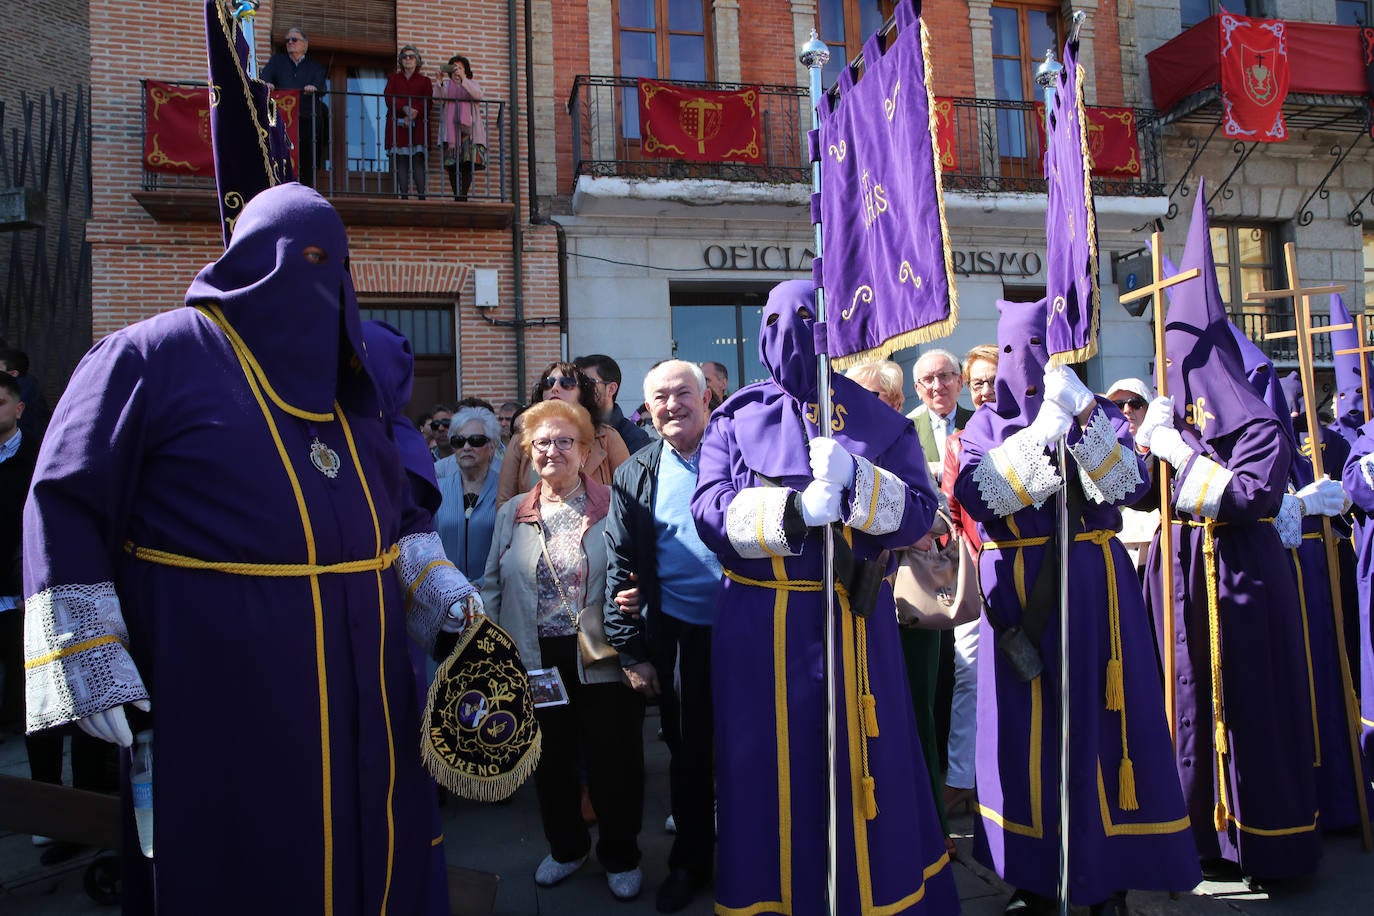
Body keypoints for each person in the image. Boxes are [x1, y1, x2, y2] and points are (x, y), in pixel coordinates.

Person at [20, 183, 480, 915]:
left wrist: (441, 594)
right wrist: (87, 653)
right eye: (298, 256)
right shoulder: (151, 356)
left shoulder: (350, 391)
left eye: (334, 262)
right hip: (221, 695)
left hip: (369, 690)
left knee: (373, 856)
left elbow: (395, 522)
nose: (314, 279)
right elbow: (67, 496)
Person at [690, 280, 957, 915]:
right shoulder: (734, 418)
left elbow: (922, 515)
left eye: (808, 321)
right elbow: (706, 510)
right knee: (767, 769)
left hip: (854, 623)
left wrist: (858, 482)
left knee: (862, 765)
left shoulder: (882, 423)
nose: (792, 335)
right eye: (777, 322)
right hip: (759, 625)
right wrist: (792, 510)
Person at [953, 298, 1200, 915]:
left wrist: (1085, 423)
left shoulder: (1095, 417)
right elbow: (978, 496)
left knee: (1106, 724)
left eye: (1043, 351)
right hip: (1022, 592)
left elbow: (1132, 488)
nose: (1028, 367)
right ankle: (1034, 876)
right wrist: (1038, 436)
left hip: (1098, 592)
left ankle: (1111, 875)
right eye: (1015, 351)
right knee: (1027, 736)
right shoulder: (986, 424)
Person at [1139, 192, 1321, 884]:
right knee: (1185, 705)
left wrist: (1181, 456)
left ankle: (1267, 840)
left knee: (1249, 704)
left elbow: (1250, 496)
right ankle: (1198, 836)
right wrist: (1119, 438)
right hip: (1180, 573)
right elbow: (1127, 489)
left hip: (1239, 574)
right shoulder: (1170, 421)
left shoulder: (1257, 427)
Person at [480, 398, 646, 901]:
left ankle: (620, 854)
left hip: (602, 654)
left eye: (564, 441)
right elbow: (491, 583)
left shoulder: (614, 504)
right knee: (549, 760)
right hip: (534, 658)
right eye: (542, 443)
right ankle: (567, 847)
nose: (553, 451)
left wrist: (641, 595)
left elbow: (641, 568)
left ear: (586, 448)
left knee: (613, 759)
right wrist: (489, 651)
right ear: (529, 453)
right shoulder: (513, 511)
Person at [604, 360, 722, 912]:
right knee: (689, 755)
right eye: (660, 398)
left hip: (749, 632)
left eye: (682, 393)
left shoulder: (739, 458)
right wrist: (633, 650)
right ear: (646, 409)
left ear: (706, 398)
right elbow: (620, 563)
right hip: (678, 636)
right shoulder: (635, 474)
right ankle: (691, 864)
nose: (671, 405)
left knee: (754, 751)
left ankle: (760, 857)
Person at [938, 344, 999, 823]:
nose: (984, 391)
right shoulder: (959, 442)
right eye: (976, 382)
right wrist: (968, 557)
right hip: (978, 574)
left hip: (1032, 574)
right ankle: (961, 779)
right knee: (968, 676)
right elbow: (954, 511)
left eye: (991, 380)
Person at [496, 362, 631, 504]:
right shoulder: (521, 440)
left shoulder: (607, 437)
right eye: (548, 383)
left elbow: (629, 495)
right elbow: (505, 502)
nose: (554, 388)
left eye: (566, 383)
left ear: (582, 394)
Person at [436, 406, 502, 583]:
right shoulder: (438, 490)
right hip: (446, 593)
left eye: (476, 440)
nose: (466, 447)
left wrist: (480, 585)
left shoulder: (504, 490)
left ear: (491, 446)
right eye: (459, 441)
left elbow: (510, 550)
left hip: (491, 595)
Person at [259, 27, 327, 187]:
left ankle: (305, 189)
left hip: (306, 117)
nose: (290, 42)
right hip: (283, 119)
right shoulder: (277, 61)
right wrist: (267, 83)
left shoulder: (315, 67)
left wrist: (314, 88)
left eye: (294, 40)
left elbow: (321, 88)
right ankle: (280, 186)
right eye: (287, 40)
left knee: (306, 156)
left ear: (305, 45)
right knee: (280, 153)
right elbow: (265, 77)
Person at [1103, 378, 1158, 571]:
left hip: (1151, 551)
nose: (1126, 410)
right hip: (1111, 548)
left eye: (1135, 403)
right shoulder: (1096, 450)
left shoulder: (1162, 448)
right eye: (1117, 405)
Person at [907, 348, 972, 479]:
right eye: (928, 379)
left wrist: (939, 470)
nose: (937, 386)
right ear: (918, 389)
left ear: (959, 382)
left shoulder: (977, 423)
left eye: (944, 376)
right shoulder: (908, 430)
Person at [575, 354, 652, 454]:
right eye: (577, 382)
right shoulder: (569, 430)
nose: (580, 388)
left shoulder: (635, 438)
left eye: (588, 382)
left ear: (611, 389)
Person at [433, 55, 486, 201]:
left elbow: (477, 96)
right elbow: (437, 100)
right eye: (454, 67)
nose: (457, 70)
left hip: (469, 131)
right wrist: (438, 82)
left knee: (467, 163)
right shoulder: (446, 85)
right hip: (450, 133)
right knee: (452, 164)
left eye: (460, 67)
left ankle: (463, 195)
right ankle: (457, 195)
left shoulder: (472, 83)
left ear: (466, 70)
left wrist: (463, 79)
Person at [386, 44, 432, 199]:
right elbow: (388, 98)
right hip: (397, 124)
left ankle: (421, 197)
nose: (408, 59)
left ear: (417, 60)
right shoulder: (393, 78)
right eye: (405, 57)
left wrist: (415, 112)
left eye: (411, 56)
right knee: (401, 160)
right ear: (401, 60)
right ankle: (404, 196)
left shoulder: (425, 81)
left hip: (418, 124)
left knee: (418, 159)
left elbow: (428, 101)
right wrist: (404, 108)